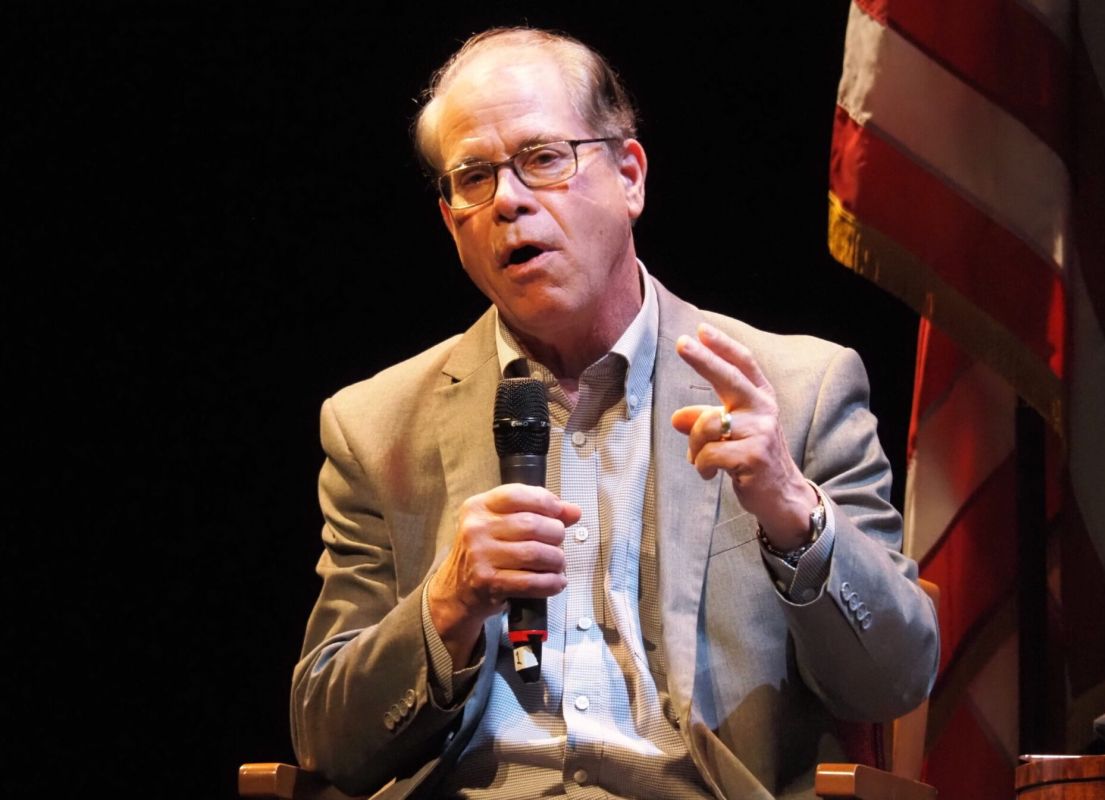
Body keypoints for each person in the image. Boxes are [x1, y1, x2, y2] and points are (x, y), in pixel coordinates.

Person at [290, 27, 939, 800]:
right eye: (473, 178)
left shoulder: (797, 390)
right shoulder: (374, 427)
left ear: (630, 177)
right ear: (450, 222)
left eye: (542, 159)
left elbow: (895, 679)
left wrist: (792, 509)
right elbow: (329, 739)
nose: (509, 202)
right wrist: (446, 603)